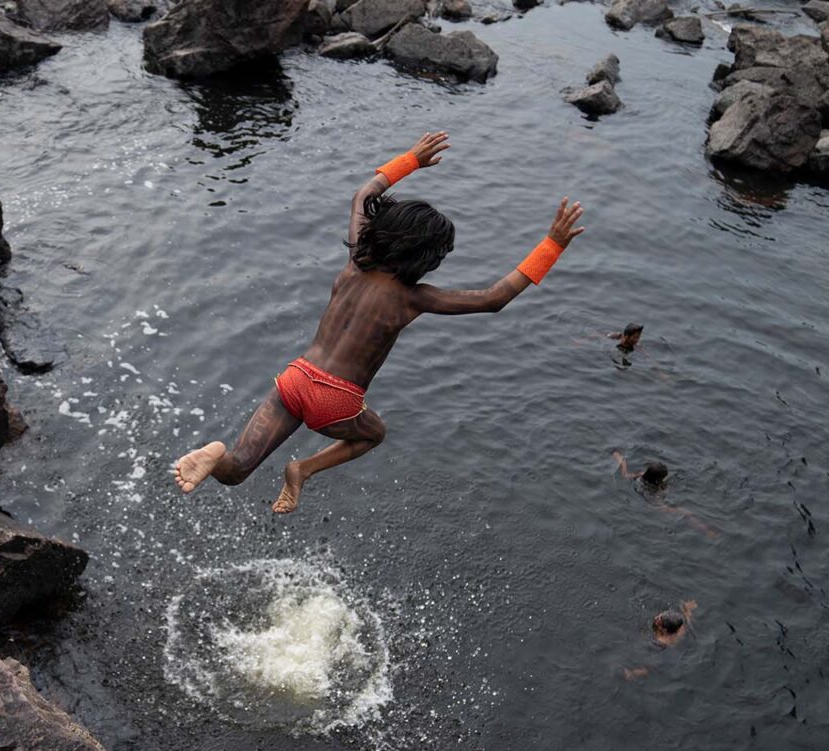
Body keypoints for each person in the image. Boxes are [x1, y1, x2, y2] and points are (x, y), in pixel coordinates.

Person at [173, 132, 587, 513]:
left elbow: (364, 194)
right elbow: (494, 298)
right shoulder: (413, 297)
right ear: (426, 258)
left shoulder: (356, 261)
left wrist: (412, 159)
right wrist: (552, 245)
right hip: (336, 398)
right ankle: (303, 470)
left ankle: (216, 456)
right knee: (373, 434)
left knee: (237, 469)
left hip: (296, 378)